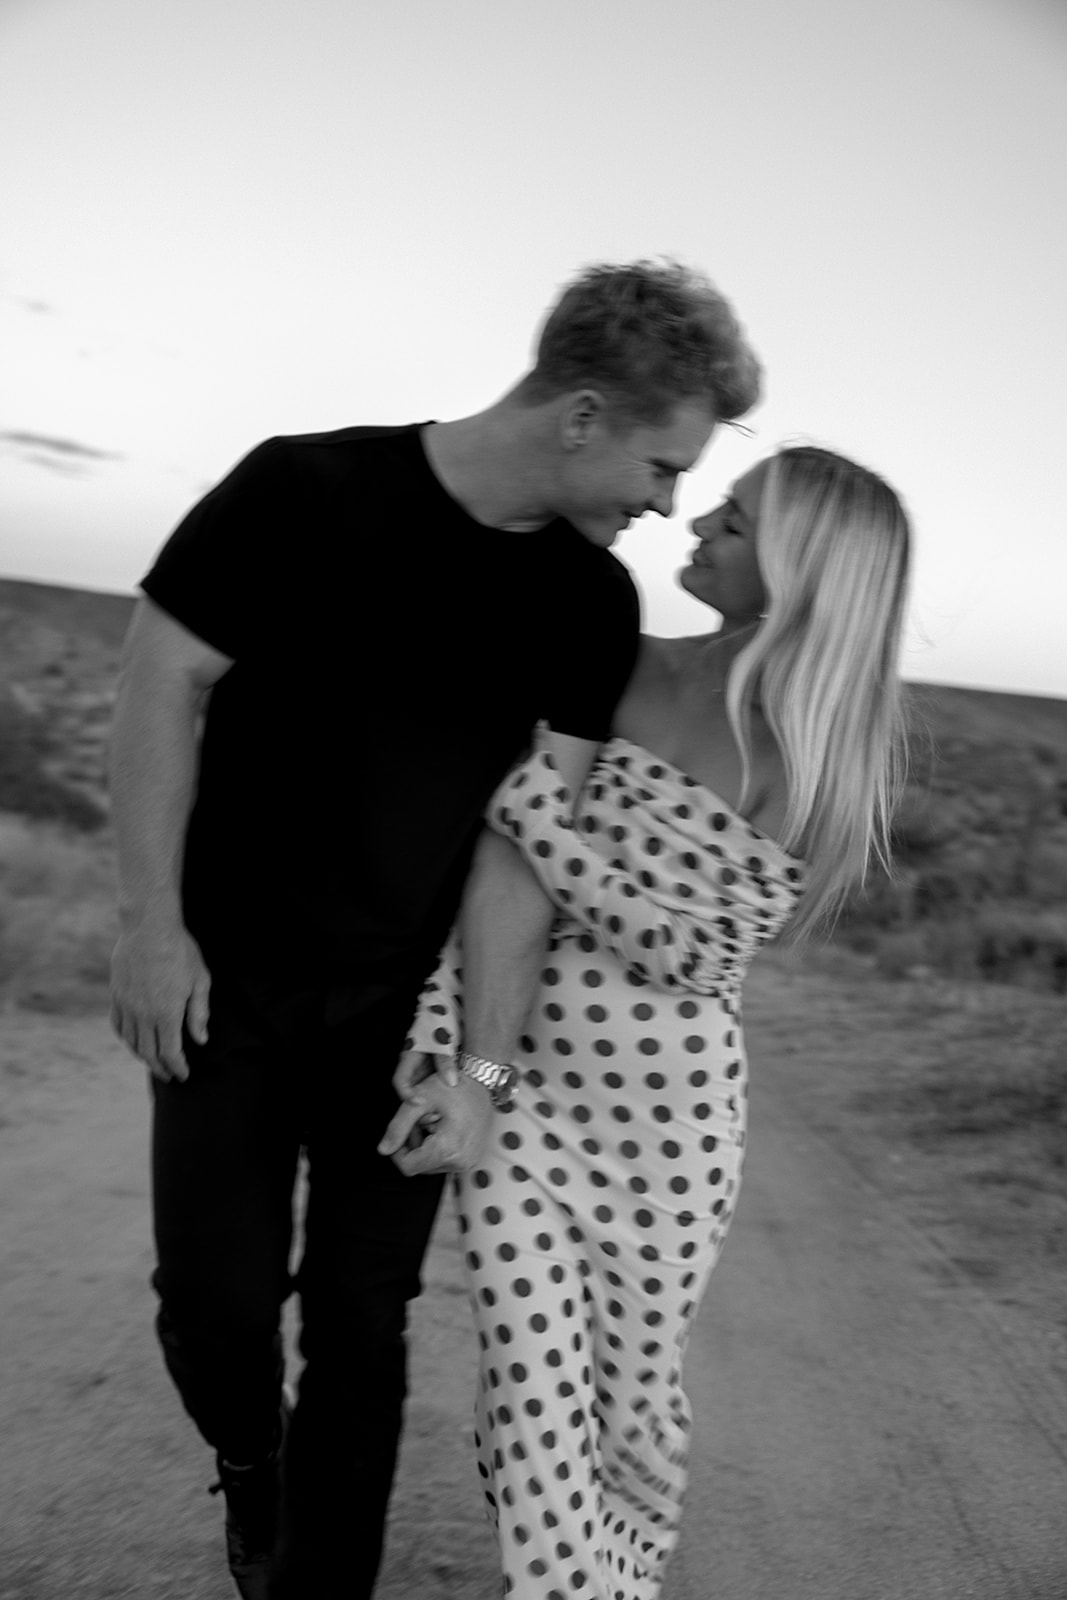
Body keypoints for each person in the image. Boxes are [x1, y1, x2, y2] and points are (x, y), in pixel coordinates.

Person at [107, 260, 761, 1599]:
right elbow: (162, 677)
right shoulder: (300, 488)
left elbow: (518, 860)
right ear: (578, 415)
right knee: (216, 1312)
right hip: (223, 986)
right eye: (659, 463)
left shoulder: (587, 606)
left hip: (401, 1025)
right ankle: (248, 1461)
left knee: (363, 1328)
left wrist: (478, 1077)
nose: (663, 501)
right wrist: (148, 928)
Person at [381, 444, 911, 1599]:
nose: (699, 520)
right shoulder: (614, 661)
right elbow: (496, 874)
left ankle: (617, 1572)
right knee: (528, 1373)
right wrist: (450, 1041)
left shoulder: (814, 748)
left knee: (629, 1391)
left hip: (663, 1125)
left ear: (800, 564)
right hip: (519, 1077)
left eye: (736, 516)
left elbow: (693, 948)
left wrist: (543, 826)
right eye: (716, 501)